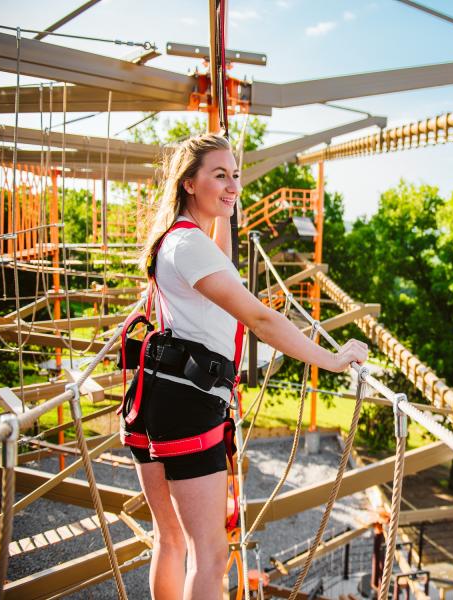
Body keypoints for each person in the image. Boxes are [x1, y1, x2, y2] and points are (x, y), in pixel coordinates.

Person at [125, 132, 368, 600]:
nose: (233, 184)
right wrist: (332, 360)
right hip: (189, 404)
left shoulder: (180, 240)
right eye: (219, 175)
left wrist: (225, 207)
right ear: (189, 183)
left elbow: (220, 265)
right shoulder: (189, 248)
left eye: (235, 174)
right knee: (211, 553)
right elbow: (258, 317)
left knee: (172, 539)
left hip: (159, 391)